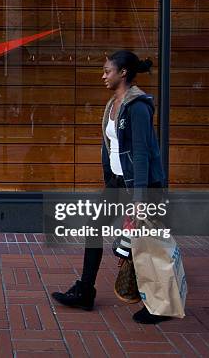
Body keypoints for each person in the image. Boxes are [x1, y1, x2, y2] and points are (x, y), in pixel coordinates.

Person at [51, 50, 169, 324]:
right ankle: (85, 291)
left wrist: (140, 198)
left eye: (107, 71)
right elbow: (113, 148)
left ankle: (159, 304)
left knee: (146, 244)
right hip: (117, 184)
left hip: (141, 185)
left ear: (123, 73)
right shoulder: (113, 104)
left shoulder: (137, 107)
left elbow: (141, 154)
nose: (103, 75)